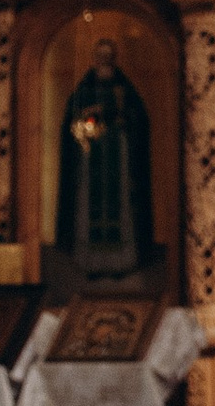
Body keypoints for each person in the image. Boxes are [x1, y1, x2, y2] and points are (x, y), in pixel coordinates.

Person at [54, 34, 155, 273]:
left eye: (107, 56)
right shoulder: (84, 88)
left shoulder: (124, 89)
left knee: (120, 205)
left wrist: (115, 115)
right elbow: (72, 122)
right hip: (90, 158)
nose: (104, 60)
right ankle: (90, 263)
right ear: (94, 59)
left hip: (118, 154)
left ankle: (120, 263)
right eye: (100, 56)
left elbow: (138, 120)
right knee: (88, 203)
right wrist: (87, 117)